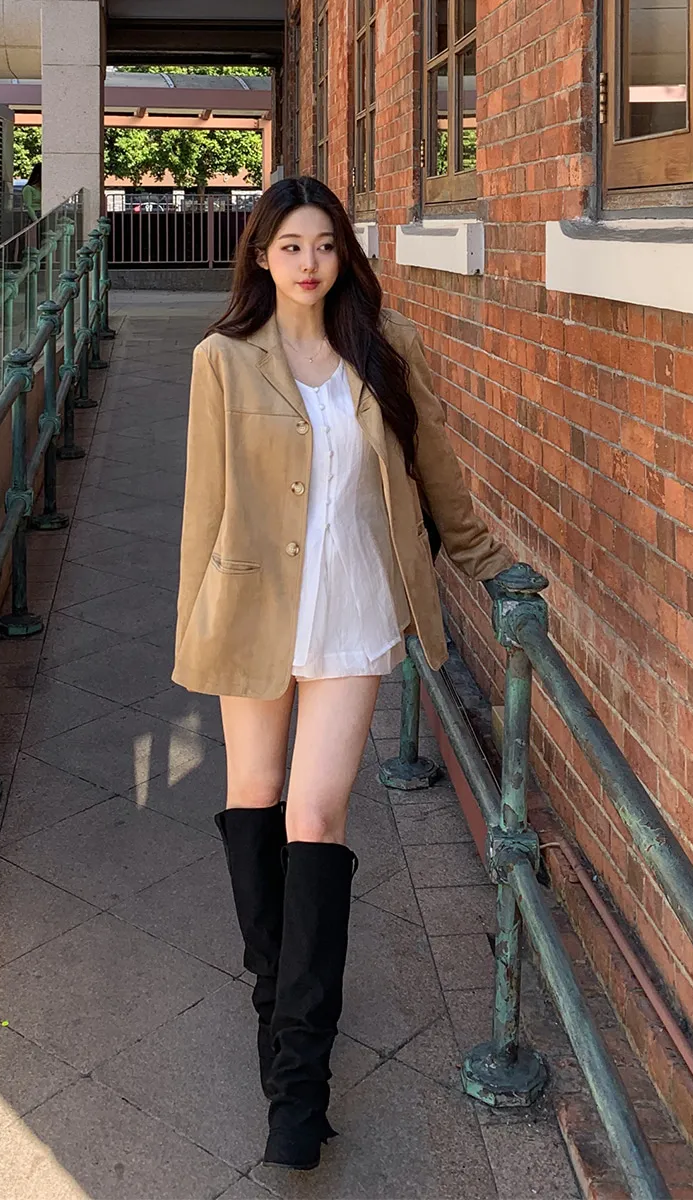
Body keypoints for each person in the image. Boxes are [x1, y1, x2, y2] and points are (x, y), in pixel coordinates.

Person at [173, 176, 515, 1171]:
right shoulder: (222, 357)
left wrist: (485, 560)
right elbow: (203, 505)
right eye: (290, 245)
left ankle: (299, 1086)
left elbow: (434, 469)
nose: (310, 262)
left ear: (344, 254)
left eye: (324, 244)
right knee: (255, 797)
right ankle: (277, 1012)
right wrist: (194, 626)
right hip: (251, 608)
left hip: (355, 604)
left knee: (316, 821)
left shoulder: (382, 346)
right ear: (261, 255)